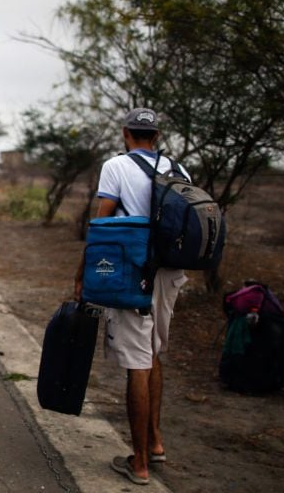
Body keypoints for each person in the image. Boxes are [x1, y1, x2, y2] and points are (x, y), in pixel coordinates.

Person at [74, 108, 188, 486]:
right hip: (170, 274)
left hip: (133, 273)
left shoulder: (115, 167)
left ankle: (138, 463)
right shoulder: (178, 169)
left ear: (126, 133)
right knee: (153, 353)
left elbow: (103, 224)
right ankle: (155, 442)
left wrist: (82, 272)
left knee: (137, 362)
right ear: (156, 135)